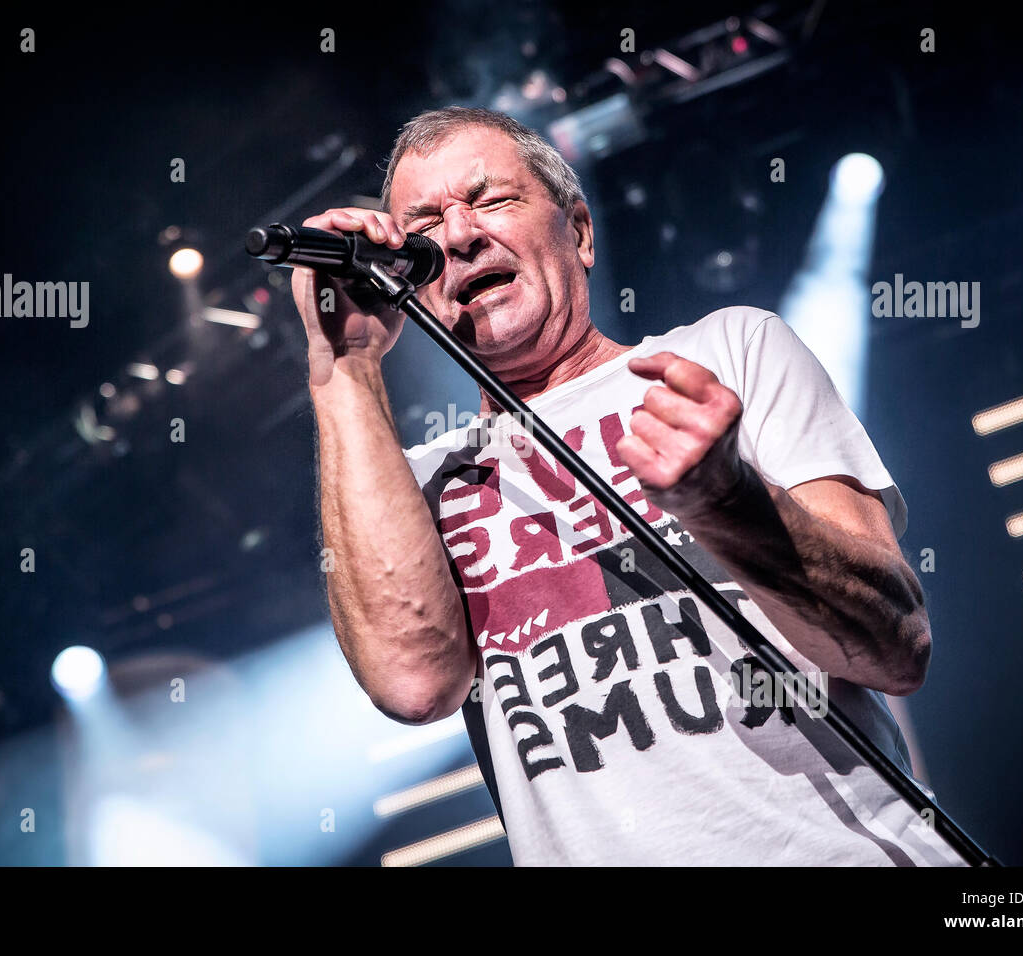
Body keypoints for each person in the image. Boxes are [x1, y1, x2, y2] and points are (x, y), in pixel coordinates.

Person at [293, 106, 964, 866]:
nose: (459, 234)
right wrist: (344, 364)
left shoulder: (728, 353)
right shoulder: (414, 487)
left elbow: (895, 648)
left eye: (490, 200)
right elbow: (414, 684)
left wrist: (728, 502)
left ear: (578, 231)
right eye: (425, 226)